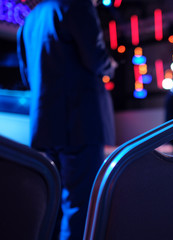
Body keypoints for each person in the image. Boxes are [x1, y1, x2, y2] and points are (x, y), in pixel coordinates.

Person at [17, 0, 117, 239]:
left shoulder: (30, 20)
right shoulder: (77, 5)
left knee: (49, 207)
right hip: (80, 124)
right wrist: (111, 64)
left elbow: (27, 77)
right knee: (80, 205)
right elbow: (95, 59)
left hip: (45, 126)